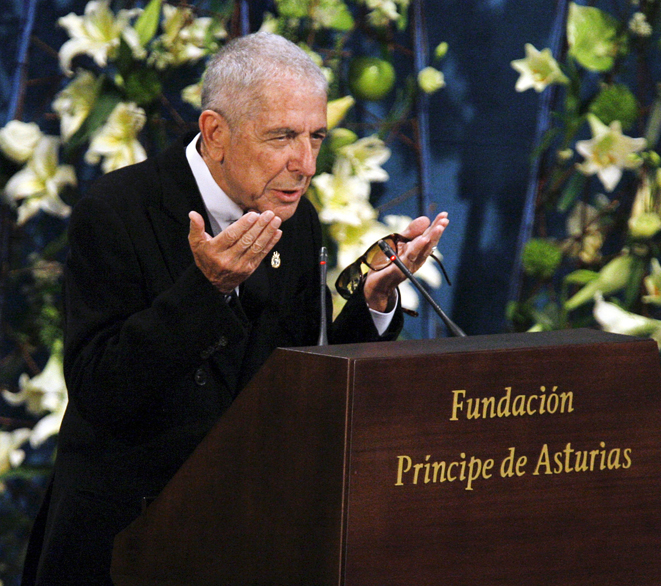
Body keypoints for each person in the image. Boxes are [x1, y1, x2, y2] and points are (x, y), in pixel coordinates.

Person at [21, 31, 448, 585]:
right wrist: (206, 291)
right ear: (216, 133)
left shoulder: (296, 221)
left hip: (246, 540)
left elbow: (298, 379)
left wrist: (375, 300)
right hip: (129, 544)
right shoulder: (117, 210)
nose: (306, 164)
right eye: (282, 137)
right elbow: (102, 392)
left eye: (316, 137)